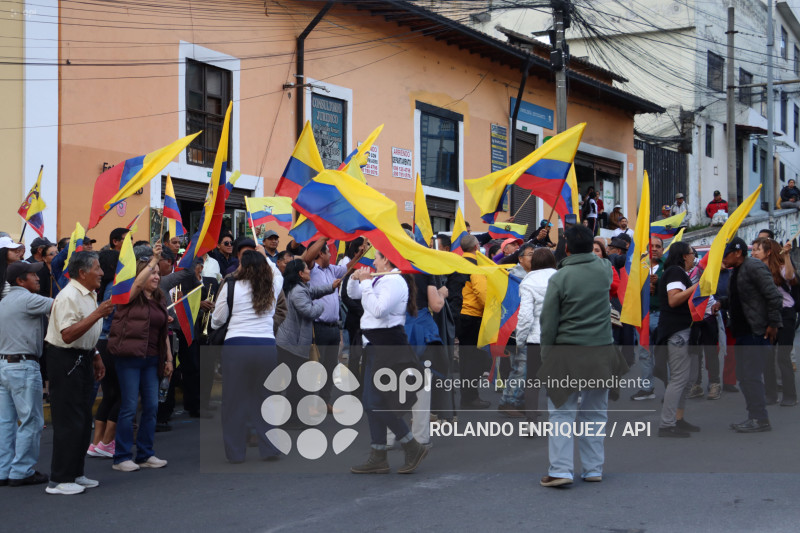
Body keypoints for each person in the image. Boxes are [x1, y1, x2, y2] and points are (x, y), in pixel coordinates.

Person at [538, 224, 628, 487]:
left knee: (562, 415)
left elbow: (548, 323)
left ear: (566, 248)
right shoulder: (603, 271)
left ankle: (561, 471)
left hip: (566, 354)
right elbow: (605, 259)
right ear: (592, 247)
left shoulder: (559, 278)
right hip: (601, 352)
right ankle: (593, 469)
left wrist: (546, 356)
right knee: (595, 414)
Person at [348, 250, 428, 474]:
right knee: (371, 401)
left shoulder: (393, 281)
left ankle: (411, 444)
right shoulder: (382, 279)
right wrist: (356, 280)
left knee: (375, 402)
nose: (373, 261)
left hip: (387, 346)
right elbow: (354, 296)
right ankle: (379, 454)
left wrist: (365, 284)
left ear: (386, 260)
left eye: (377, 257)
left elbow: (379, 310)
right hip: (374, 345)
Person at [44, 251, 114, 495]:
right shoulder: (68, 296)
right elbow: (68, 334)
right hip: (64, 358)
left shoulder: (90, 293)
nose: (102, 273)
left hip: (83, 356)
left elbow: (86, 333)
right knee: (68, 419)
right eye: (97, 268)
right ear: (82, 273)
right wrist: (98, 313)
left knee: (83, 418)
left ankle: (76, 472)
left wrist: (95, 356)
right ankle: (59, 479)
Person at [211, 248, 283, 462]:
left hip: (237, 346)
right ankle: (270, 448)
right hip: (266, 346)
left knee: (234, 401)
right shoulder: (271, 285)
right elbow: (277, 273)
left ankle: (235, 453)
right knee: (265, 399)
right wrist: (265, 256)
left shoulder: (231, 286)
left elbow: (218, 320)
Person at [108, 244, 172, 472]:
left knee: (152, 406)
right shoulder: (129, 295)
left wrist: (169, 359)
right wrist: (154, 260)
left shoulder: (160, 298)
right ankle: (122, 456)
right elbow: (136, 283)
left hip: (152, 360)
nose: (156, 276)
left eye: (157, 273)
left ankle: (145, 453)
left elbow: (163, 332)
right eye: (151, 272)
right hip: (129, 358)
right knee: (128, 406)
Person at [0, 261, 53, 487]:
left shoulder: (5, 301)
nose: (38, 278)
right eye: (33, 274)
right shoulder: (27, 299)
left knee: (6, 422)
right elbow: (61, 305)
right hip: (23, 366)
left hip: (5, 365)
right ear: (21, 281)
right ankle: (21, 471)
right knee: (31, 420)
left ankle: (4, 470)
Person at [722, 237, 783, 432]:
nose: (723, 259)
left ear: (737, 252)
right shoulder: (737, 270)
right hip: (742, 332)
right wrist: (720, 303)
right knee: (744, 376)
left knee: (752, 376)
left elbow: (774, 297)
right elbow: (740, 298)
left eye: (726, 254)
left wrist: (773, 324)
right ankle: (754, 417)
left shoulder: (753, 267)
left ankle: (760, 419)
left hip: (755, 332)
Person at [275, 259, 340, 428]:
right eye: (307, 269)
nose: (310, 271)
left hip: (292, 343)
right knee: (296, 384)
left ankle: (293, 418)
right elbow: (309, 311)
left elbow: (315, 291)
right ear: (300, 274)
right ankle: (291, 420)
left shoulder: (300, 288)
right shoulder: (298, 291)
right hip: (291, 344)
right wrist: (321, 307)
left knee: (296, 383)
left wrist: (331, 287)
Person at [655, 241, 703, 437]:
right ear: (684, 255)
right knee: (679, 379)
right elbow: (674, 299)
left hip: (685, 331)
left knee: (688, 379)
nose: (694, 257)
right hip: (678, 332)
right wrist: (698, 286)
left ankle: (678, 419)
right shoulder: (675, 272)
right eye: (692, 253)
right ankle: (666, 425)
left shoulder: (677, 273)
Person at [505, 246, 557, 421]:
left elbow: (525, 316)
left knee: (532, 382)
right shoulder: (561, 278)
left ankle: (531, 421)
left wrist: (520, 340)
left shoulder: (528, 281)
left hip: (536, 338)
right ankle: (558, 420)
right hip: (558, 337)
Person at [751, 237, 797, 407]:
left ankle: (790, 395)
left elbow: (790, 276)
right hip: (767, 315)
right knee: (767, 357)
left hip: (785, 314)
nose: (753, 252)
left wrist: (787, 256)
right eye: (753, 249)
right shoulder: (755, 269)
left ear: (768, 252)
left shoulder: (781, 268)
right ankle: (770, 395)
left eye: (757, 249)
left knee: (783, 356)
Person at [303, 238, 347, 410]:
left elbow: (347, 268)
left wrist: (358, 255)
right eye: (328, 251)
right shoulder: (312, 269)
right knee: (315, 367)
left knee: (330, 367)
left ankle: (325, 401)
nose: (331, 255)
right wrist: (323, 237)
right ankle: (311, 403)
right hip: (318, 327)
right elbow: (307, 257)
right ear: (320, 253)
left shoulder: (333, 270)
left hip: (334, 328)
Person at [457, 234, 491, 409]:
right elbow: (482, 293)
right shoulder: (475, 266)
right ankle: (471, 397)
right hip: (473, 316)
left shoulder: (457, 263)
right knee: (475, 360)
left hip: (461, 315)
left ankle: (466, 396)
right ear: (477, 247)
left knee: (465, 359)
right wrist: (492, 309)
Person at [630, 237, 664, 401]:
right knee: (644, 354)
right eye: (652, 246)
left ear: (662, 250)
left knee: (665, 354)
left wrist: (660, 282)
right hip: (643, 316)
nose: (655, 249)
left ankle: (672, 390)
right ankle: (646, 387)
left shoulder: (668, 268)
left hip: (661, 316)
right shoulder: (639, 268)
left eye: (658, 246)